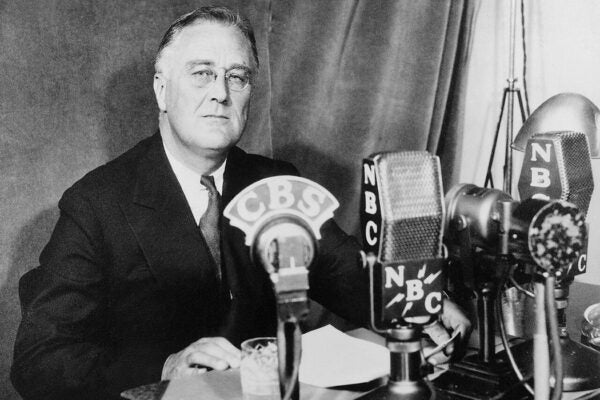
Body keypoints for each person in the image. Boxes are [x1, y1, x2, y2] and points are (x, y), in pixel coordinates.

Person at [11, 6, 471, 400]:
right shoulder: (97, 204)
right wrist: (167, 364)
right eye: (202, 73)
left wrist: (415, 302)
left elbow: (346, 273)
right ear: (160, 89)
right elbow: (39, 360)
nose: (221, 93)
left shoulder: (276, 183)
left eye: (238, 77)